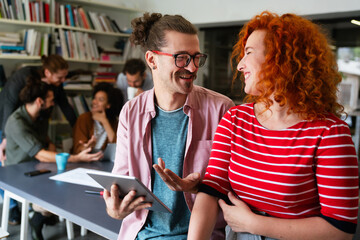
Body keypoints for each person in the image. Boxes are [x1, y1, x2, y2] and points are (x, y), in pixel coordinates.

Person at [187, 11, 359, 240]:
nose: (240, 65)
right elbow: (212, 187)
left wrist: (255, 224)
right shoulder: (235, 119)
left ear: (280, 58)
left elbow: (341, 230)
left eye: (248, 53)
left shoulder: (330, 133)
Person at [103, 12, 235, 240]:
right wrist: (114, 209)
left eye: (196, 58)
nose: (193, 68)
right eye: (182, 58)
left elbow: (240, 188)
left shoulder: (222, 109)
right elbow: (120, 184)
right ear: (152, 60)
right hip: (142, 234)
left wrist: (199, 186)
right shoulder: (130, 112)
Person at [4, 78, 103, 240]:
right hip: (19, 174)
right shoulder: (16, 122)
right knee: (54, 200)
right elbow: (40, 153)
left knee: (71, 190)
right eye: (50, 100)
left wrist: (71, 155)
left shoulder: (41, 116)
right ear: (39, 101)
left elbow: (48, 143)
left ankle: (40, 216)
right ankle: (37, 218)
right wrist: (76, 157)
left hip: (40, 169)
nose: (53, 104)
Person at [0, 54, 77, 164]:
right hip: (7, 119)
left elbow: (65, 106)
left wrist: (77, 129)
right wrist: (5, 138)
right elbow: (9, 104)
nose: (63, 80)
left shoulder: (56, 84)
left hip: (32, 122)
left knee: (30, 156)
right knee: (10, 156)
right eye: (60, 77)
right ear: (47, 73)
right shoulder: (24, 76)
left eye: (65, 77)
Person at [72, 82, 124, 154]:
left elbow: (117, 148)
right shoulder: (84, 118)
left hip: (104, 163)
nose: (94, 102)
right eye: (94, 98)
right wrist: (87, 147)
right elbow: (78, 149)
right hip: (84, 162)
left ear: (108, 105)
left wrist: (105, 121)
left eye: (100, 100)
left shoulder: (114, 122)